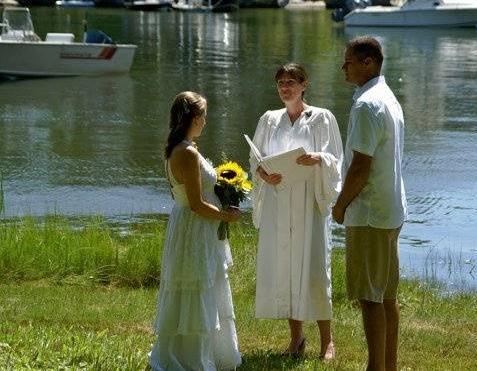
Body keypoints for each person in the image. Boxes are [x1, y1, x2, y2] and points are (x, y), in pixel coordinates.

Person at [250, 63, 342, 360]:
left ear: (305, 84)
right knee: (287, 267)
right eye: (280, 83)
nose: (285, 87)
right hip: (279, 198)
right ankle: (296, 338)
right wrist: (264, 174)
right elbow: (256, 158)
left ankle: (327, 340)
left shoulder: (321, 118)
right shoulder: (269, 119)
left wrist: (318, 159)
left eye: (291, 82)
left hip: (307, 201)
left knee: (313, 267)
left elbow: (336, 159)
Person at [150, 91, 242, 371]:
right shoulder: (187, 153)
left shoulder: (181, 146)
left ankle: (206, 352)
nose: (205, 120)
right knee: (196, 286)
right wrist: (226, 215)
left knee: (199, 284)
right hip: (194, 226)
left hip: (188, 226)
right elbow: (195, 205)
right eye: (203, 115)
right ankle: (193, 358)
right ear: (193, 118)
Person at [332, 37, 407, 371]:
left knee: (370, 297)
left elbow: (361, 165)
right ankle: (387, 366)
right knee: (386, 295)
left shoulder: (367, 105)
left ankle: (376, 368)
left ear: (368, 63)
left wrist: (340, 204)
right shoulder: (386, 97)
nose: (343, 66)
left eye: (348, 61)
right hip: (389, 209)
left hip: (370, 212)